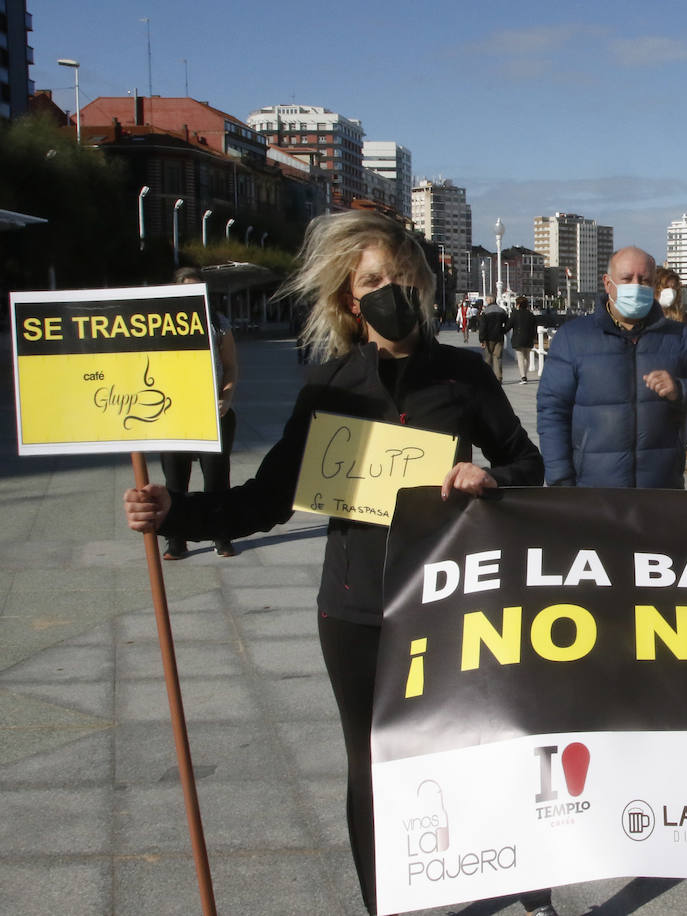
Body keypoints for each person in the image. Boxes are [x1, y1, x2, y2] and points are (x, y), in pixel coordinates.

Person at [121, 211, 552, 916]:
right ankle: (383, 903)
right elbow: (266, 500)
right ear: (352, 300)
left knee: (480, 749)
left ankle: (523, 882)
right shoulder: (329, 384)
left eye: (402, 277)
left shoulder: (463, 373)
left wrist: (490, 479)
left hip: (451, 601)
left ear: (424, 285)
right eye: (374, 281)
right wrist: (177, 511)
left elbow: (527, 460)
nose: (392, 291)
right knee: (371, 767)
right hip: (356, 606)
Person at [537, 245, 687, 488]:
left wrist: (681, 389)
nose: (636, 286)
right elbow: (552, 412)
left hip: (660, 488)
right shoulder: (573, 338)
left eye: (644, 280)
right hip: (594, 489)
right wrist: (560, 480)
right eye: (627, 279)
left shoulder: (681, 336)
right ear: (608, 283)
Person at [160, 266, 240, 559]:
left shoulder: (217, 323)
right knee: (175, 481)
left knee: (217, 479)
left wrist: (227, 397)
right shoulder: (161, 324)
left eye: (198, 290)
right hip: (173, 415)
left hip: (213, 414)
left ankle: (221, 535)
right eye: (186, 290)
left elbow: (230, 366)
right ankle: (175, 539)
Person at [478, 295, 509, 382]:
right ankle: (498, 377)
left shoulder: (485, 312)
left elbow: (482, 327)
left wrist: (481, 339)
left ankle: (488, 378)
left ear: (490, 300)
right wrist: (503, 330)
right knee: (498, 357)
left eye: (487, 300)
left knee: (488, 358)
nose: (486, 301)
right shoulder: (501, 311)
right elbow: (508, 323)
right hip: (499, 337)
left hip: (488, 338)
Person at [509, 295, 538, 384]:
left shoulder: (514, 314)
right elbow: (534, 328)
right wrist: (534, 337)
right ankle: (525, 375)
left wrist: (501, 331)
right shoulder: (531, 315)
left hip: (518, 338)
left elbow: (508, 325)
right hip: (528, 338)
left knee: (520, 357)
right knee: (527, 357)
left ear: (518, 304)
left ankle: (523, 376)